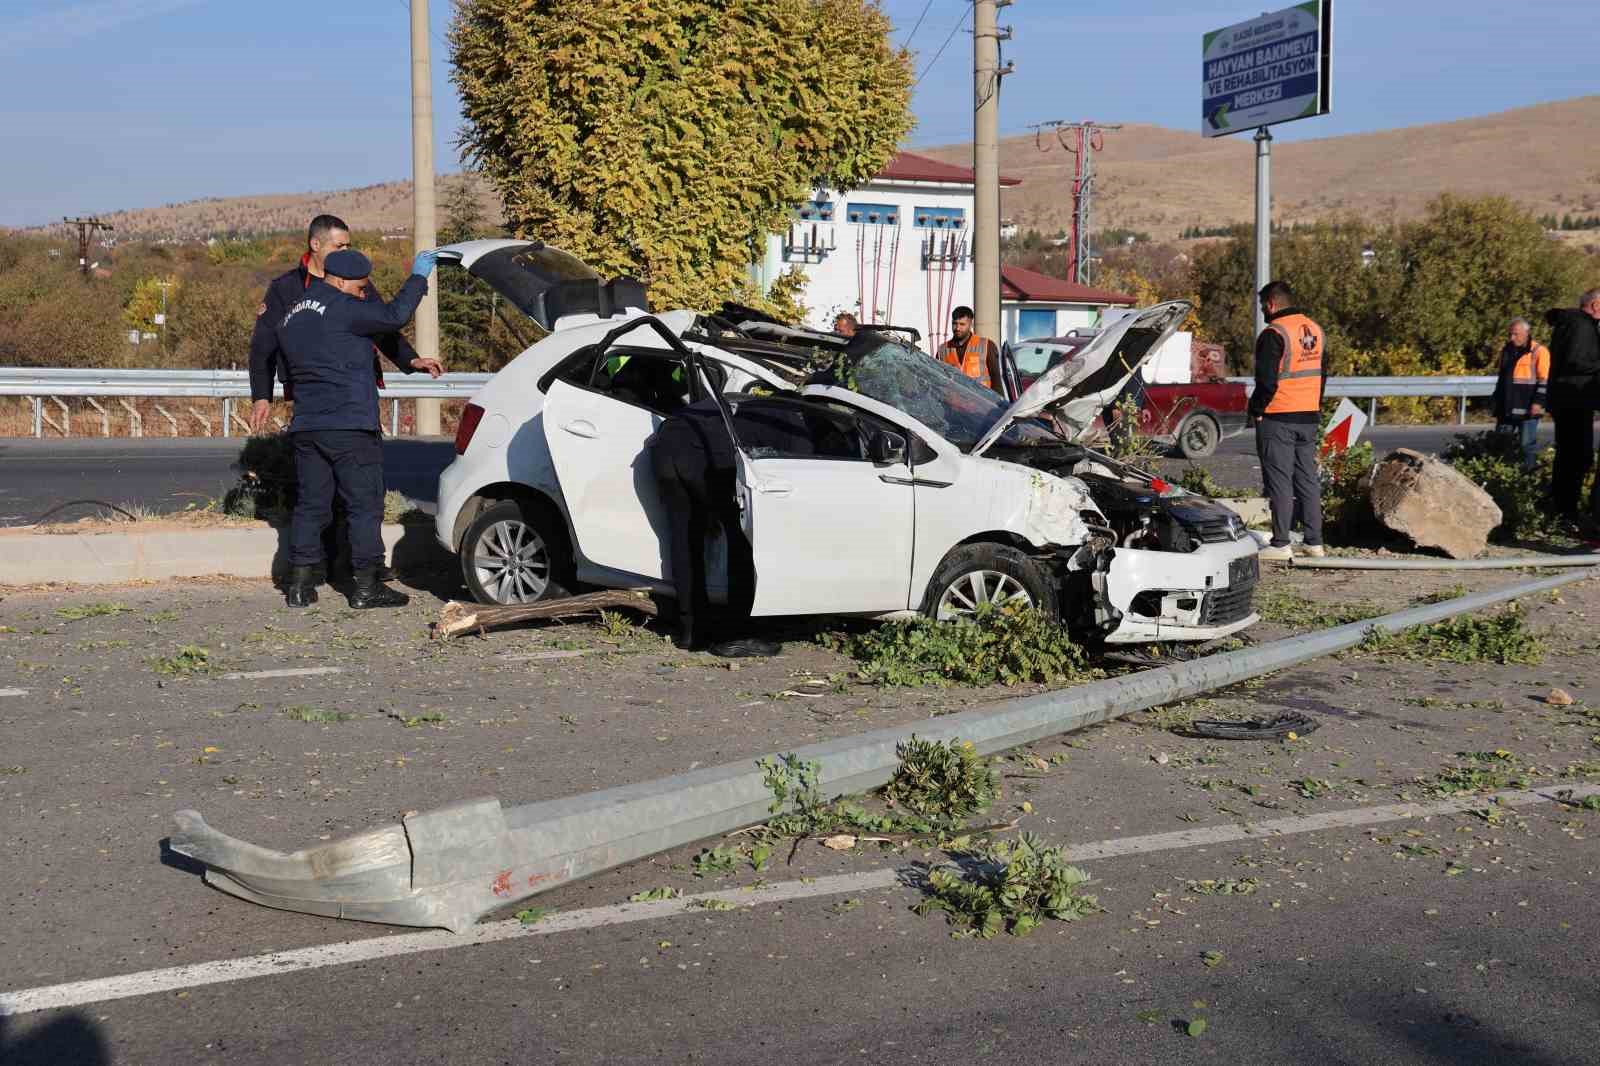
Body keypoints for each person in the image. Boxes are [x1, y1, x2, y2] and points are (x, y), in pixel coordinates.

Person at [248, 215, 432, 583]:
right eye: (339, 245)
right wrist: (261, 395)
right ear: (316, 245)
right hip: (344, 412)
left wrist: (410, 360)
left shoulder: (336, 290)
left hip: (312, 418)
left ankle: (306, 581)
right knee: (361, 500)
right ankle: (364, 580)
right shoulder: (288, 289)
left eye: (348, 245)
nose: (346, 250)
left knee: (317, 501)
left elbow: (382, 329)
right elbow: (262, 347)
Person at [650, 394, 781, 658]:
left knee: (685, 539)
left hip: (665, 444)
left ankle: (691, 632)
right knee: (742, 537)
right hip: (706, 449)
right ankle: (735, 635)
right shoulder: (794, 423)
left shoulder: (752, 406)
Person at [1248, 280, 1326, 563]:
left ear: (1271, 304)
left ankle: (1281, 543)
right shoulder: (1315, 330)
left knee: (1280, 481)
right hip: (1308, 416)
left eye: (1262, 306)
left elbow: (1267, 381)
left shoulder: (1273, 333)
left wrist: (1256, 409)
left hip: (1278, 417)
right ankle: (1314, 543)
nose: (1262, 312)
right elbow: (1322, 375)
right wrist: (1314, 405)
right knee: (1307, 480)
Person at [1545, 290, 1600, 528]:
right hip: (1574, 399)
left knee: (1571, 457)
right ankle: (1566, 513)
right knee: (1576, 458)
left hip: (1569, 399)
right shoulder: (1581, 325)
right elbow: (1577, 360)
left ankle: (1564, 511)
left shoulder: (1571, 323)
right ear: (1596, 305)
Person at [1489, 317, 1550, 471]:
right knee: (1502, 444)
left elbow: (1545, 380)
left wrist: (1538, 403)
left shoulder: (1539, 351)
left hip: (1528, 409)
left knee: (1527, 445)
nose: (1512, 337)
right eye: (1510, 334)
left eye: (1516, 334)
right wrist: (1496, 401)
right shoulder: (1507, 350)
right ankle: (1504, 474)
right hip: (1507, 408)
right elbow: (1502, 379)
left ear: (1526, 333)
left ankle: (1529, 473)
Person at [941, 306, 1003, 393]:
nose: (957, 328)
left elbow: (996, 380)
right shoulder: (942, 350)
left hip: (982, 400)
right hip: (953, 400)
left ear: (971, 324)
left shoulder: (987, 346)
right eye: (954, 324)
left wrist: (999, 400)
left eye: (962, 324)